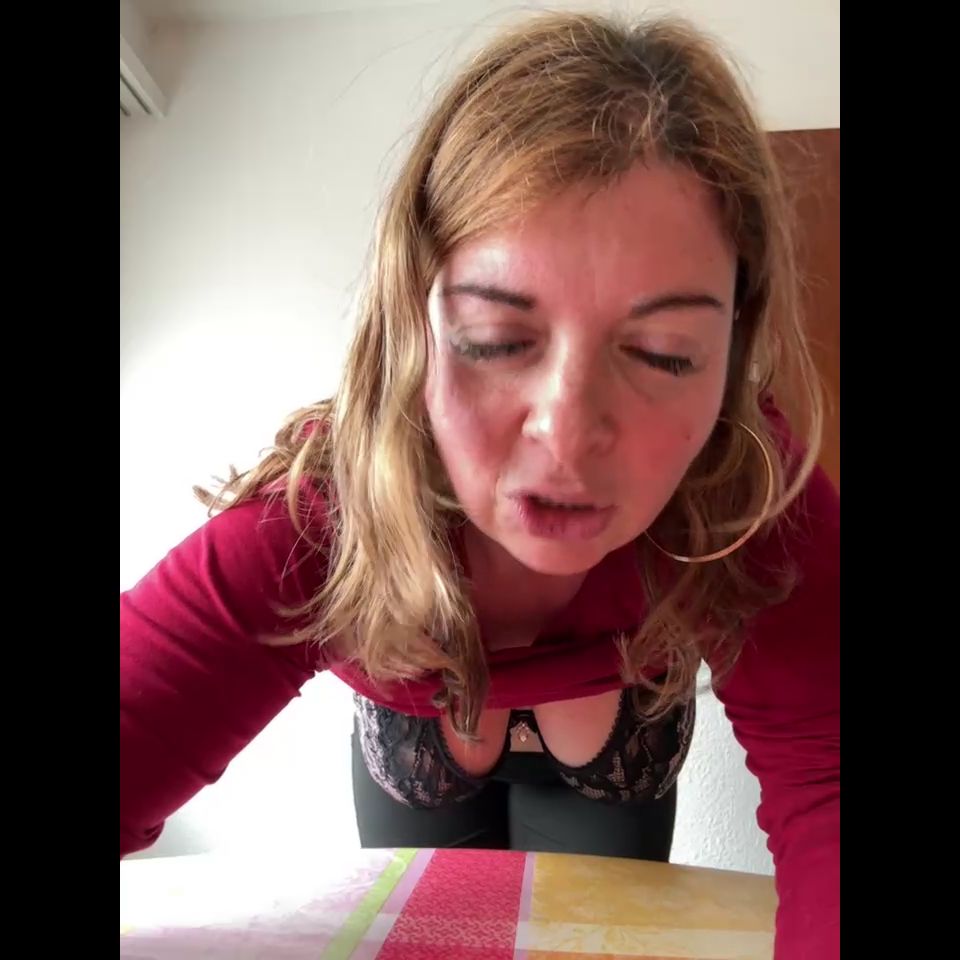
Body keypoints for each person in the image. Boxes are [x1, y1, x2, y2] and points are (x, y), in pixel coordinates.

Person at [120, 11, 839, 959]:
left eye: (666, 354)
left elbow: (832, 790)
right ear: (411, 327)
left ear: (735, 357)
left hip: (617, 735)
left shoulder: (752, 499)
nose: (567, 434)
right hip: (416, 746)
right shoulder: (321, 519)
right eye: (498, 341)